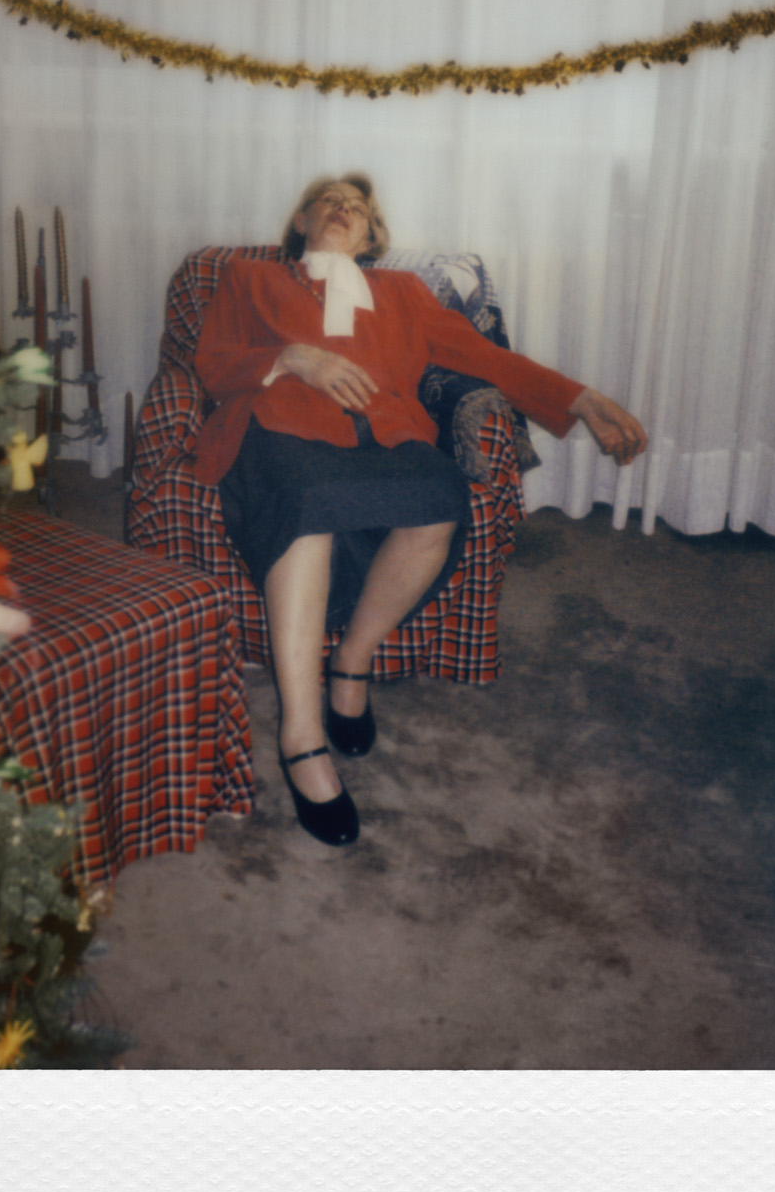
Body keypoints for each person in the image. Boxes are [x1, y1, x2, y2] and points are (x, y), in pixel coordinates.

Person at [191, 172, 647, 848]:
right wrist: (291, 356)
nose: (343, 210)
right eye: (329, 201)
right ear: (301, 220)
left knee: (439, 500)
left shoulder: (402, 292)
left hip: (384, 434)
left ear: (371, 238)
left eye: (358, 209)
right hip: (279, 429)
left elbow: (483, 357)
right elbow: (211, 363)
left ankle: (351, 662)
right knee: (307, 504)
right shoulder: (248, 278)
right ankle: (301, 735)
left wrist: (580, 399)